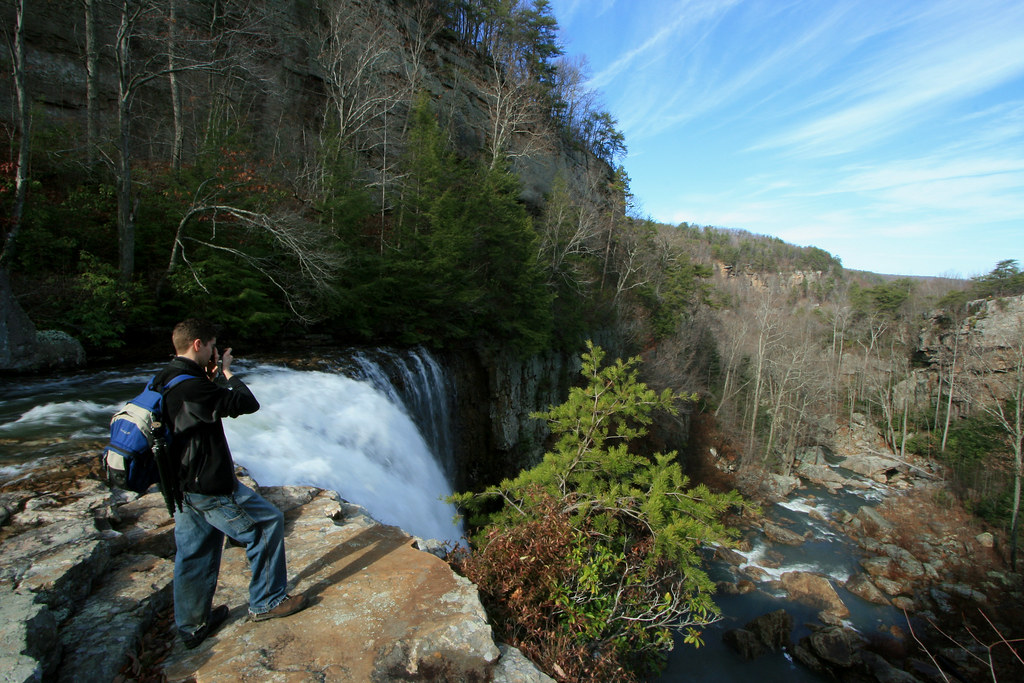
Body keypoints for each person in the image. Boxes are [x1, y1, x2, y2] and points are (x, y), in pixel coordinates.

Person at [154, 318, 307, 649]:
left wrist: (210, 378)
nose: (214, 352)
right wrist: (227, 372)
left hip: (181, 485)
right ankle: (267, 601)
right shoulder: (194, 388)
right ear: (198, 344)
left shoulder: (165, 379)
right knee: (266, 524)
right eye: (212, 346)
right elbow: (247, 403)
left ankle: (192, 625)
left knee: (195, 551)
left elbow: (194, 413)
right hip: (209, 484)